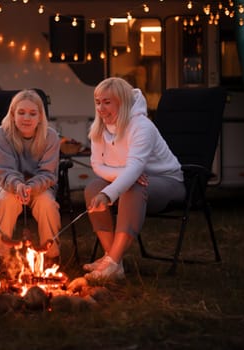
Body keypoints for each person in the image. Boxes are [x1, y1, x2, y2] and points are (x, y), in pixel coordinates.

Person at [83, 77, 185, 281]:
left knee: (132, 188)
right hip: (132, 178)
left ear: (122, 102)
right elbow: (97, 165)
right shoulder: (99, 128)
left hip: (167, 181)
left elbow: (136, 167)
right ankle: (113, 260)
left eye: (107, 102)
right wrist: (123, 178)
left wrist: (113, 190)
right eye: (98, 102)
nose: (101, 108)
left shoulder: (141, 126)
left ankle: (112, 261)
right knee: (93, 188)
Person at [0, 89, 62, 274]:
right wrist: (18, 186)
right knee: (7, 200)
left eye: (32, 113)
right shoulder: (2, 135)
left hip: (41, 184)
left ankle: (51, 254)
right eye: (21, 113)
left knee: (47, 203)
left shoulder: (50, 137)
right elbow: (4, 171)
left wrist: (31, 187)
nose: (26, 118)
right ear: (13, 114)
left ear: (40, 117)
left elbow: (48, 173)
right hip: (8, 183)